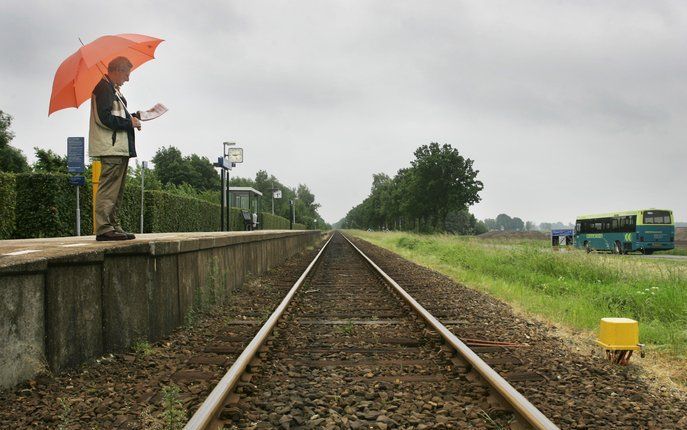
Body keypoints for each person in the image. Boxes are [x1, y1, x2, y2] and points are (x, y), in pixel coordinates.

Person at [89, 56, 141, 241]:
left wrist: (134, 118)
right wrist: (129, 123)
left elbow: (114, 115)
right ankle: (104, 228)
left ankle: (113, 225)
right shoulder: (104, 88)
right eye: (126, 74)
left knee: (116, 191)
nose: (127, 78)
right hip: (111, 147)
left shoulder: (112, 89)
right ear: (117, 71)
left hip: (118, 147)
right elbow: (105, 118)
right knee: (109, 189)